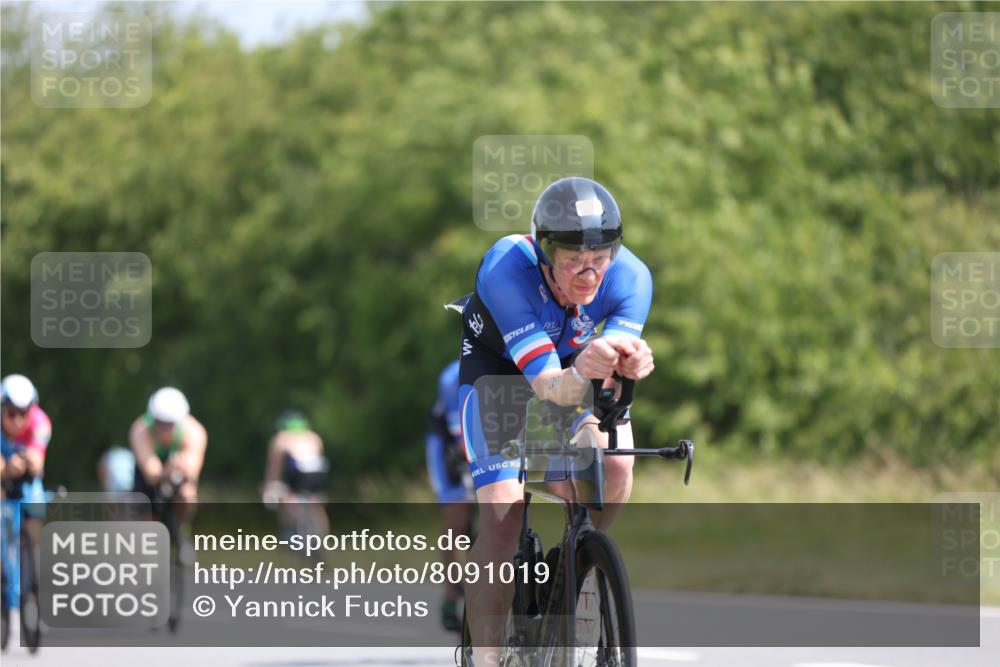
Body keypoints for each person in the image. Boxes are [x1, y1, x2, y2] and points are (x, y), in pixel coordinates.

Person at [458, 177, 655, 666]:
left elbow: (604, 388)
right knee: (504, 515)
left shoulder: (631, 277)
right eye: (572, 260)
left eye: (599, 258)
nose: (588, 273)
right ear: (545, 253)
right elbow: (549, 388)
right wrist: (586, 369)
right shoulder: (506, 268)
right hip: (501, 375)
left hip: (573, 369)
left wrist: (626, 369)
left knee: (615, 469)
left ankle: (578, 563)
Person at [425, 359, 474, 632]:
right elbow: (460, 433)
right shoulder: (452, 376)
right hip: (448, 443)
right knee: (455, 518)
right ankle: (450, 594)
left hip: (491, 434)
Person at [1, 374, 51, 616]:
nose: (19, 420)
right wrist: (7, 468)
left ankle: (34, 576)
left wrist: (30, 461)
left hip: (26, 480)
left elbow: (38, 459)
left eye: (24, 413)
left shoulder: (41, 422)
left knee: (35, 509)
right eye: (11, 413)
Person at [129, 387, 207, 530]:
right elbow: (151, 474)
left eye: (170, 424)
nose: (165, 428)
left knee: (187, 495)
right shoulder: (140, 429)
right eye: (160, 422)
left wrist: (178, 470)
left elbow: (192, 471)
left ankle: (180, 530)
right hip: (146, 479)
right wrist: (170, 469)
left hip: (176, 476)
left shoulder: (194, 432)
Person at [261, 410, 329, 540]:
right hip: (319, 471)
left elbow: (274, 467)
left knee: (287, 496)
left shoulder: (281, 438)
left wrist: (269, 485)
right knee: (316, 503)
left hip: (299, 470)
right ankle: (323, 538)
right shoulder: (313, 437)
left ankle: (291, 531)